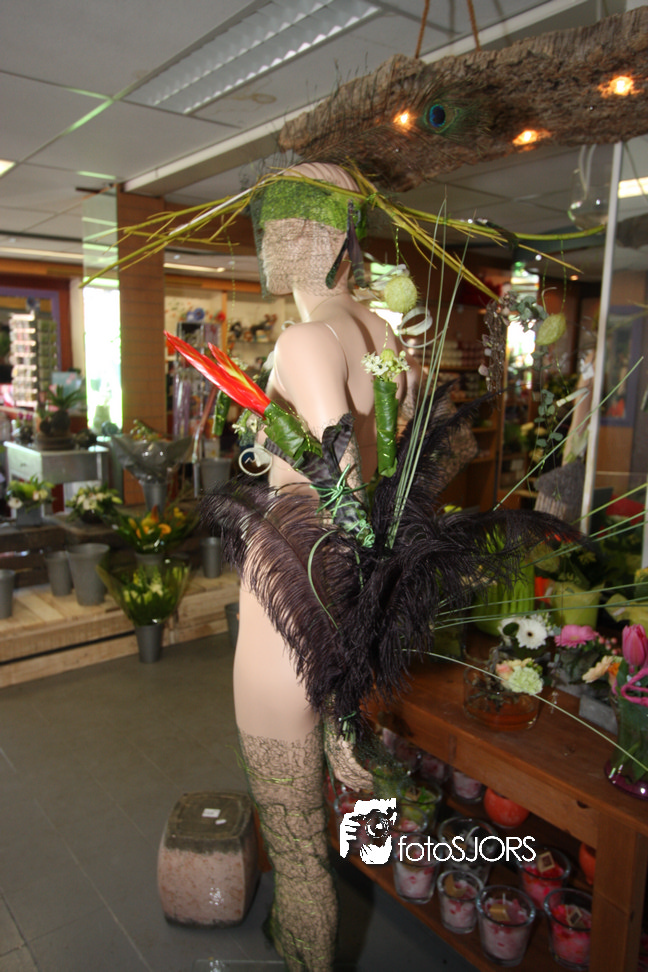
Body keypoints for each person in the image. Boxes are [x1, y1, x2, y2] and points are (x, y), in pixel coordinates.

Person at [234, 162, 414, 971]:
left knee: (298, 844)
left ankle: (303, 950)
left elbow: (344, 500)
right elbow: (387, 468)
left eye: (286, 225)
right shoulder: (381, 335)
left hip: (294, 598)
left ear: (324, 235)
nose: (275, 242)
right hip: (344, 597)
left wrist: (340, 678)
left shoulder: (306, 341)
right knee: (318, 833)